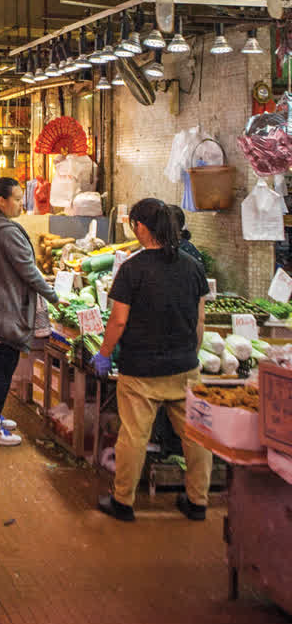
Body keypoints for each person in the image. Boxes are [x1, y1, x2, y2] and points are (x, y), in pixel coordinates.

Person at [93, 197, 213, 523]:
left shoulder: (132, 269)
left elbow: (117, 321)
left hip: (141, 370)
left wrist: (104, 354)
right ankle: (198, 502)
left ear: (141, 227)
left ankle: (123, 502)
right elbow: (200, 320)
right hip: (184, 367)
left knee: (133, 436)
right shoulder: (193, 267)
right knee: (196, 436)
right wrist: (190, 354)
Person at [0, 176, 58, 446]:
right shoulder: (6, 231)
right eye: (17, 199)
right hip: (6, 311)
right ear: (1, 201)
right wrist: (53, 296)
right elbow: (29, 271)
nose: (22, 204)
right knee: (2, 368)